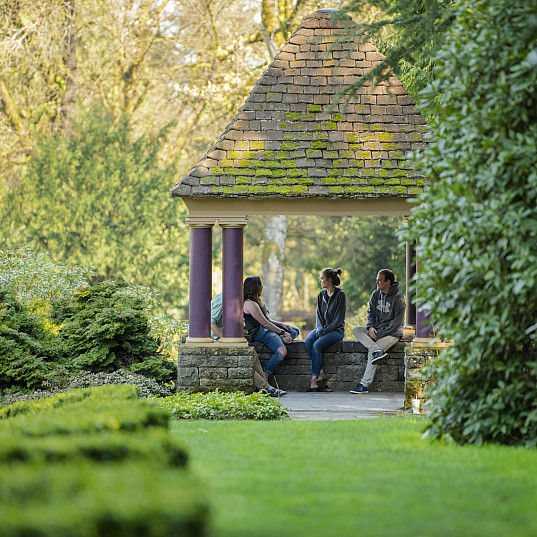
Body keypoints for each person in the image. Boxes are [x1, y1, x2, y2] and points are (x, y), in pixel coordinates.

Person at [210, 292, 286, 397]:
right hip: (214, 338)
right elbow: (211, 324)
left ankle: (266, 386)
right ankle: (266, 388)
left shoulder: (233, 300)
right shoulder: (222, 301)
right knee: (242, 361)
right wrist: (224, 339)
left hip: (224, 337)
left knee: (251, 354)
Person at [350, 269, 406, 394]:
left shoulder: (399, 299)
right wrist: (370, 328)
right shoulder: (375, 294)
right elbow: (370, 313)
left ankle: (364, 384)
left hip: (392, 334)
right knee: (357, 330)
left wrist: (379, 334)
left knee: (371, 351)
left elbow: (396, 324)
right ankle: (377, 351)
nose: (377, 282)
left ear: (388, 282)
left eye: (380, 280)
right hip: (376, 329)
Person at [243, 276, 300, 386]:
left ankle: (277, 338)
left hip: (266, 328)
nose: (262, 287)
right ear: (256, 287)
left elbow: (266, 320)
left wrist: (281, 325)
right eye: (260, 285)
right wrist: (282, 333)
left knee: (294, 330)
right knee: (282, 350)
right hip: (260, 332)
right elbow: (264, 323)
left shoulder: (256, 301)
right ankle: (265, 377)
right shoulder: (250, 304)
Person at [304, 268, 346, 392]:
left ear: (329, 280)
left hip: (336, 331)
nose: (320, 281)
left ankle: (313, 379)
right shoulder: (321, 294)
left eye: (322, 278)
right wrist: (320, 330)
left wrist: (325, 331)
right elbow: (318, 315)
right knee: (308, 341)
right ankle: (321, 372)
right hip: (321, 329)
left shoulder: (340, 295)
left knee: (317, 345)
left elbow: (338, 319)